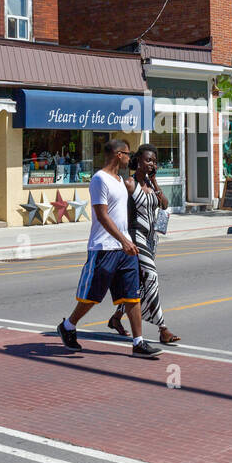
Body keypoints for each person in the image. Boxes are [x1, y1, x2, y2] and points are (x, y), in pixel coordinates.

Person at [56, 139, 162, 358]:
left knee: (132, 296)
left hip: (125, 249)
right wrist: (123, 240)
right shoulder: (99, 179)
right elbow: (102, 215)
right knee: (92, 296)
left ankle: (138, 342)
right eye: (127, 154)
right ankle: (68, 326)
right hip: (104, 247)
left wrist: (129, 239)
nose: (129, 159)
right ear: (118, 155)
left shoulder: (121, 180)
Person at [107, 144, 180, 345]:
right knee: (151, 276)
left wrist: (155, 181)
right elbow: (118, 211)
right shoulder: (130, 184)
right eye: (148, 160)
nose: (151, 164)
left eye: (154, 161)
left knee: (138, 283)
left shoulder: (150, 183)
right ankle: (162, 328)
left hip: (151, 239)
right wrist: (122, 239)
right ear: (138, 161)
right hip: (135, 237)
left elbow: (164, 204)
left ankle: (116, 318)